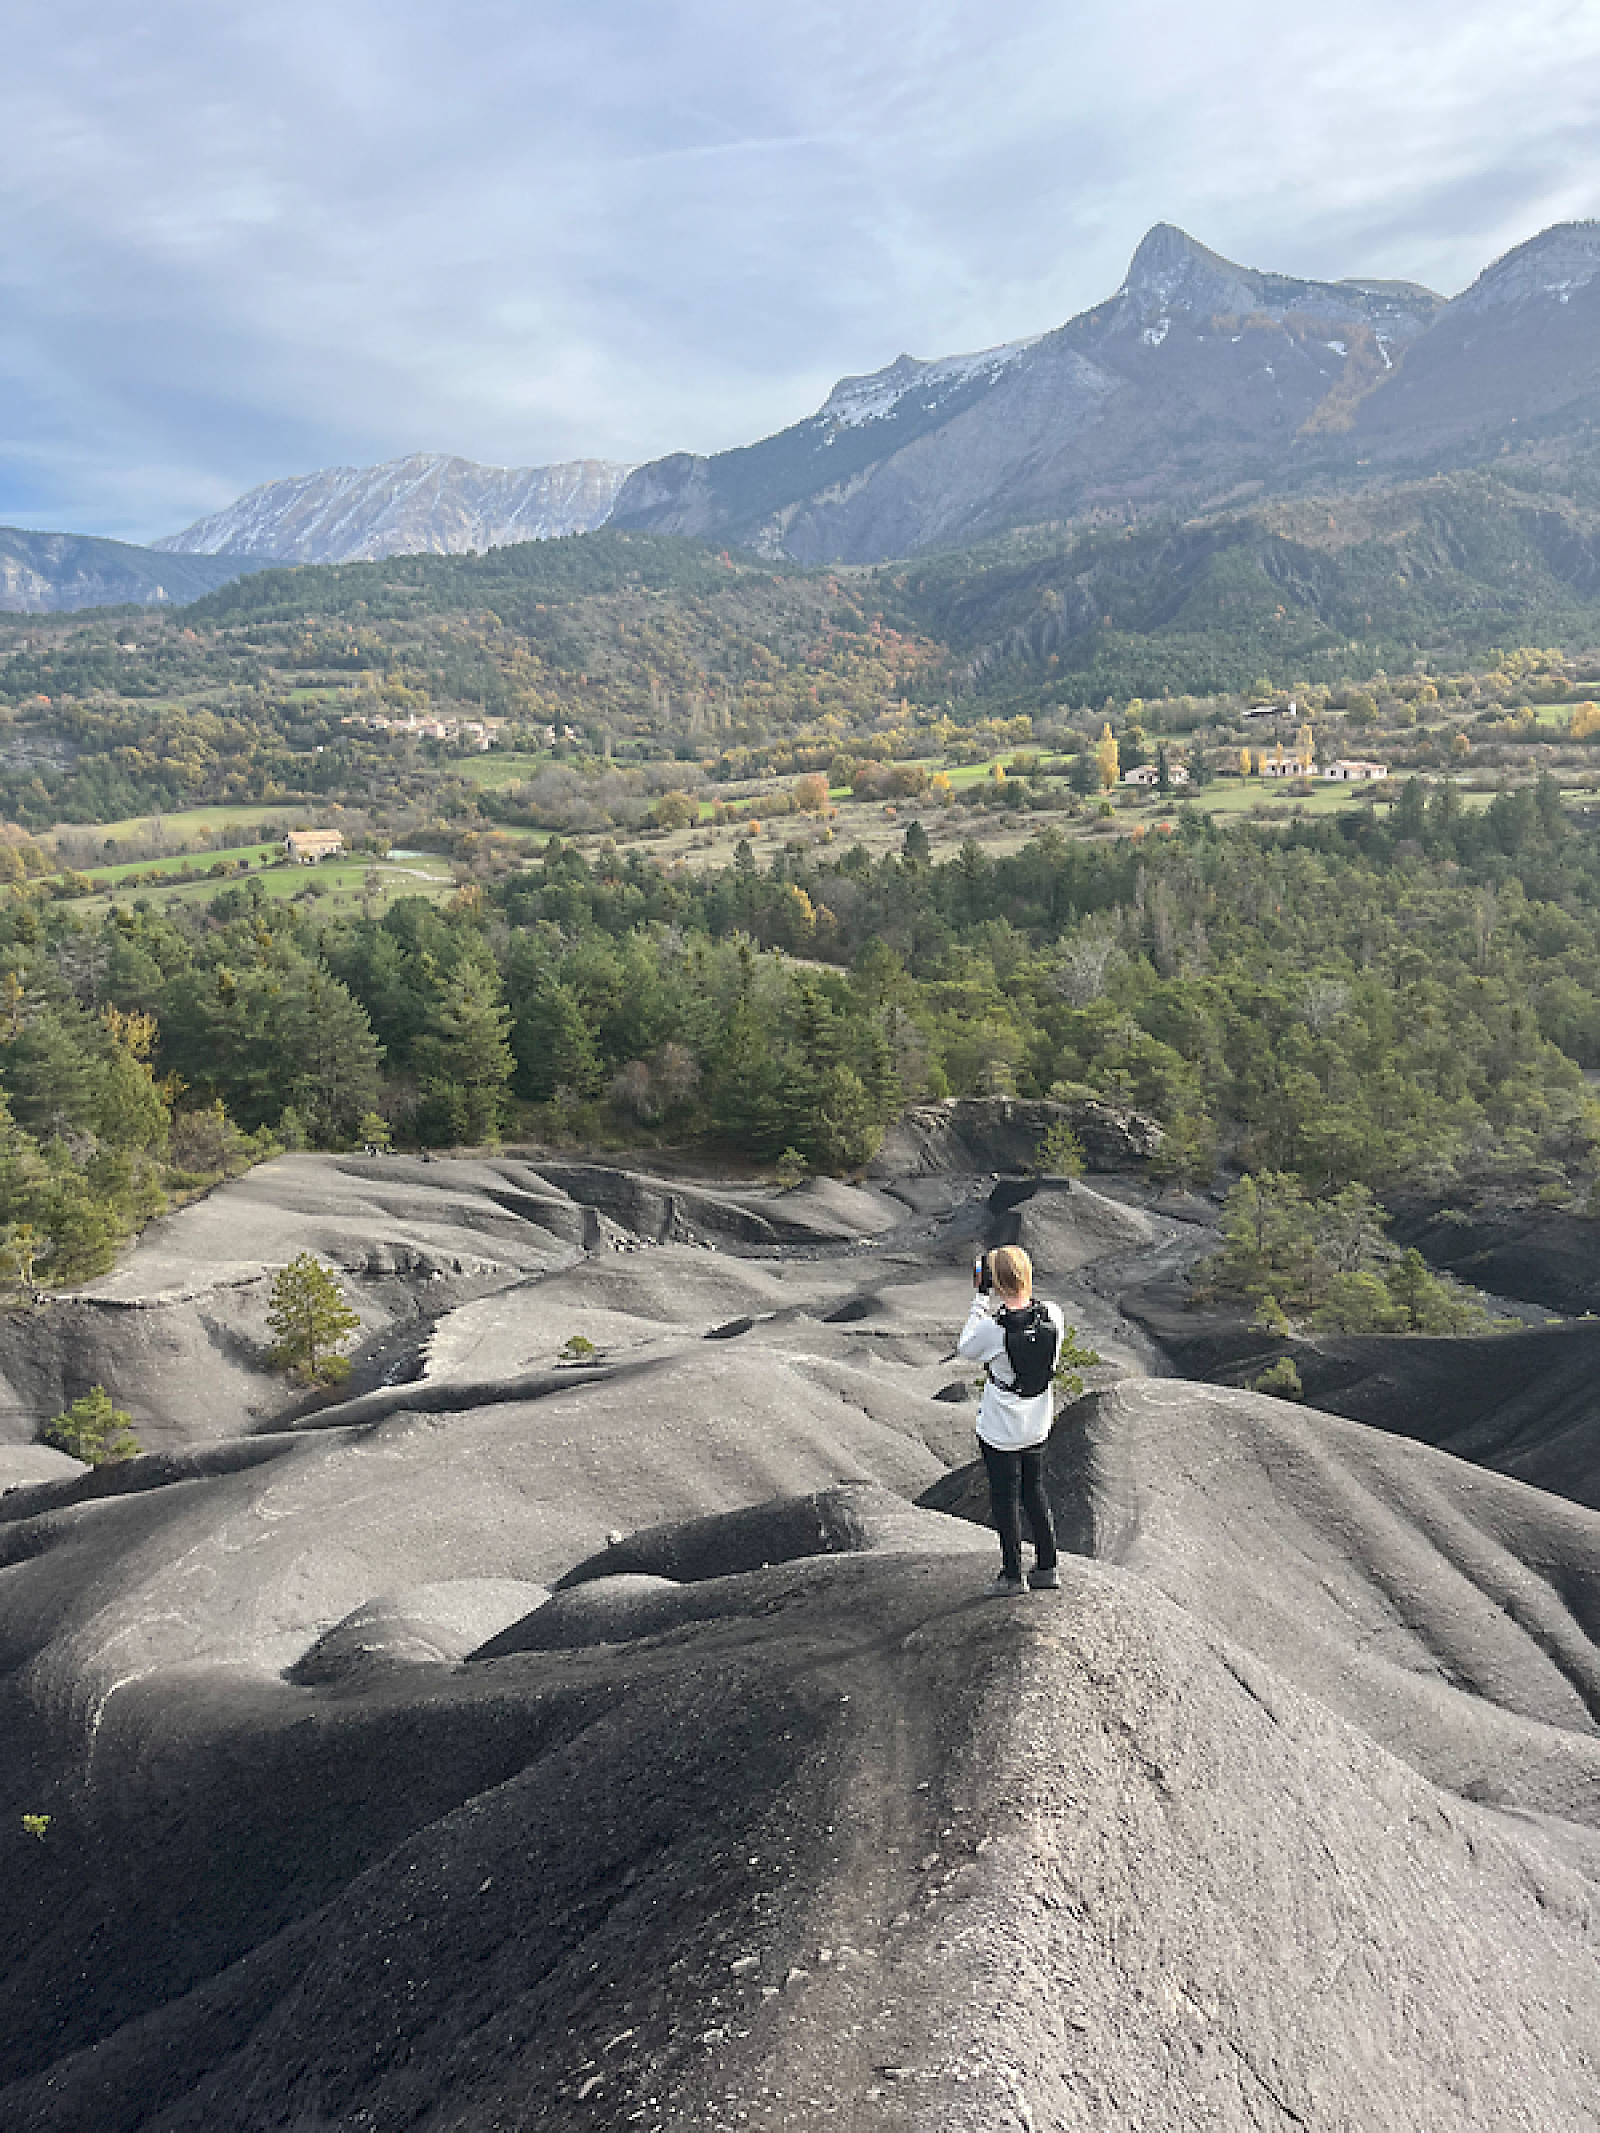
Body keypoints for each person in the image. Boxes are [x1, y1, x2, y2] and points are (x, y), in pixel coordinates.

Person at [957, 1245, 1064, 1597]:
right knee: (1034, 1490)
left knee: (1005, 1497)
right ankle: (1047, 1567)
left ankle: (1012, 1575)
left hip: (1000, 1426)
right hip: (1036, 1422)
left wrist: (979, 1298)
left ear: (995, 1281)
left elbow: (966, 1347)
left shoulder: (992, 1329)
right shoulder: (1053, 1315)